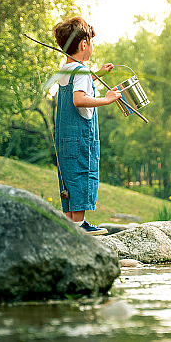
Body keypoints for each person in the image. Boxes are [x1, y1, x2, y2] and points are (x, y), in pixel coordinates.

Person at [52, 16, 121, 235]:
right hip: (81, 136)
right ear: (83, 44)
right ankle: (80, 224)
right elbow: (79, 99)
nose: (92, 47)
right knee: (82, 173)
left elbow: (77, 87)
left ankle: (71, 224)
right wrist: (108, 99)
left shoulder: (66, 70)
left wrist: (98, 76)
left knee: (69, 177)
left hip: (65, 136)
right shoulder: (81, 70)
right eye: (91, 42)